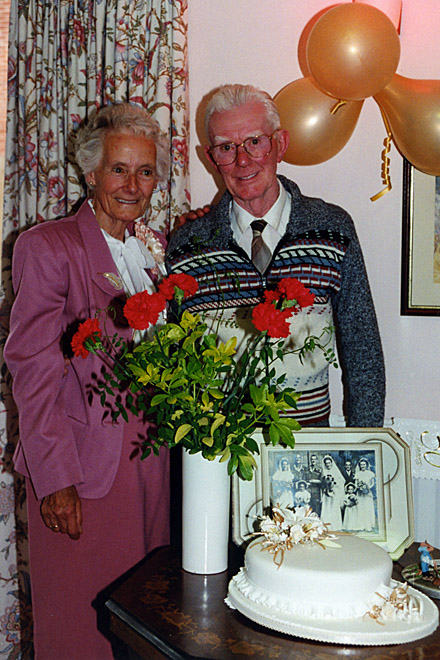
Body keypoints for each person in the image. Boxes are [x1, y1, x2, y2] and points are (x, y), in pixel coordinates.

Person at [4, 103, 171, 660]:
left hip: (148, 475)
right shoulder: (49, 246)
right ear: (91, 173)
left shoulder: (147, 258)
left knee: (139, 632)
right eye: (119, 169)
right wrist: (54, 480)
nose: (133, 184)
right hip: (83, 478)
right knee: (82, 634)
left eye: (145, 172)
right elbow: (32, 369)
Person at [167, 83, 385, 427]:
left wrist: (365, 445)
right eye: (226, 147)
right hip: (220, 457)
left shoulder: (333, 230)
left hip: (308, 453)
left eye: (255, 142)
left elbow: (362, 350)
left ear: (279, 144)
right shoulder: (187, 248)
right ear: (211, 158)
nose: (242, 160)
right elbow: (178, 365)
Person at [320, 454, 345, 530]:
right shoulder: (324, 472)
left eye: (329, 463)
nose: (328, 465)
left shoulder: (335, 471)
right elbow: (322, 482)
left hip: (334, 492)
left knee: (334, 508)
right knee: (327, 507)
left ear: (331, 463)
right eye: (326, 463)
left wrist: (335, 484)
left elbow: (342, 481)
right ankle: (326, 525)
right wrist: (326, 486)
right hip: (326, 493)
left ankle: (335, 525)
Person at [354, 457, 376, 532]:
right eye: (361, 465)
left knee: (367, 508)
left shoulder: (370, 473)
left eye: (364, 465)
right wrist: (359, 488)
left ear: (366, 465)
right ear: (359, 465)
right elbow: (356, 484)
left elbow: (373, 483)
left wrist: (367, 488)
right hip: (360, 494)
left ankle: (368, 525)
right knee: (360, 508)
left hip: (368, 493)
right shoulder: (358, 474)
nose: (362, 466)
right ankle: (361, 525)